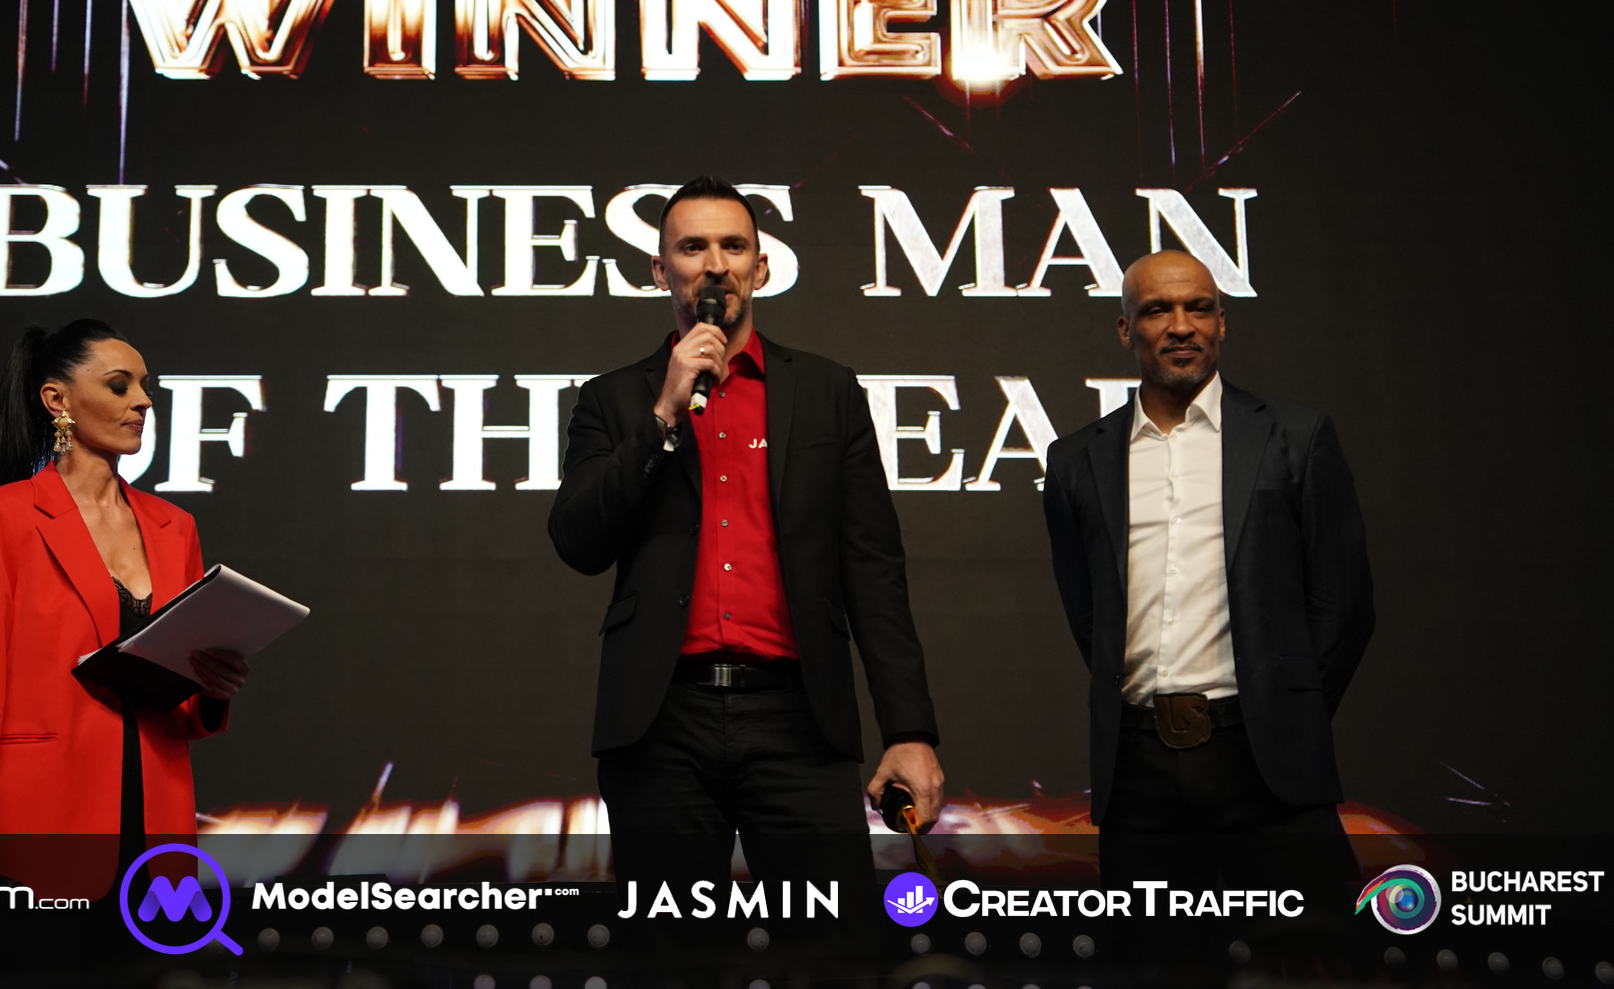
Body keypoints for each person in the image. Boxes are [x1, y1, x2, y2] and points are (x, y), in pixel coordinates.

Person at [548, 176, 942, 908]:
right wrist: (664, 414)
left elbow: (873, 569)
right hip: (662, 721)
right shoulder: (616, 398)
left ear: (760, 268)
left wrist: (910, 730)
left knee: (832, 943)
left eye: (733, 247)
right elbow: (579, 540)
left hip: (799, 717)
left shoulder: (826, 392)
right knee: (668, 949)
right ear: (660, 271)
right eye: (692, 248)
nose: (715, 265)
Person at [1040, 251, 1374, 893]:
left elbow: (1344, 606)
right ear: (1125, 330)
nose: (1180, 326)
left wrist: (1284, 712)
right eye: (1156, 310)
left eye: (1198, 308)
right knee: (1155, 952)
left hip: (1268, 763)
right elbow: (1088, 616)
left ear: (1222, 322)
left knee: (1312, 946)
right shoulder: (1076, 460)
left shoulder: (1296, 437)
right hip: (1137, 772)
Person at [0, 320, 249, 900]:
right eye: (120, 385)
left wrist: (212, 686)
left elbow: (183, 711)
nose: (143, 400)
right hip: (38, 820)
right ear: (57, 400)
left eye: (145, 386)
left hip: (156, 831)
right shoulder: (3, 516)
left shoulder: (175, 527)